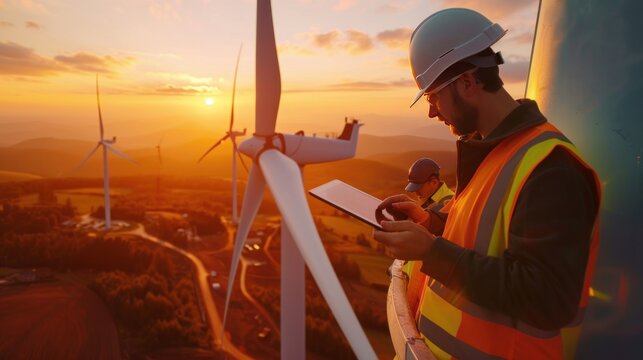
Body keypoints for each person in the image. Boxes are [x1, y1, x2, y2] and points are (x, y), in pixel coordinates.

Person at [373, 8, 601, 360]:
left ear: (468, 82)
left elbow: (548, 298)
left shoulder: (551, 170)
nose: (432, 112)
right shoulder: (494, 151)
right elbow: (486, 236)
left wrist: (431, 252)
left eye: (433, 97)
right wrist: (430, 222)